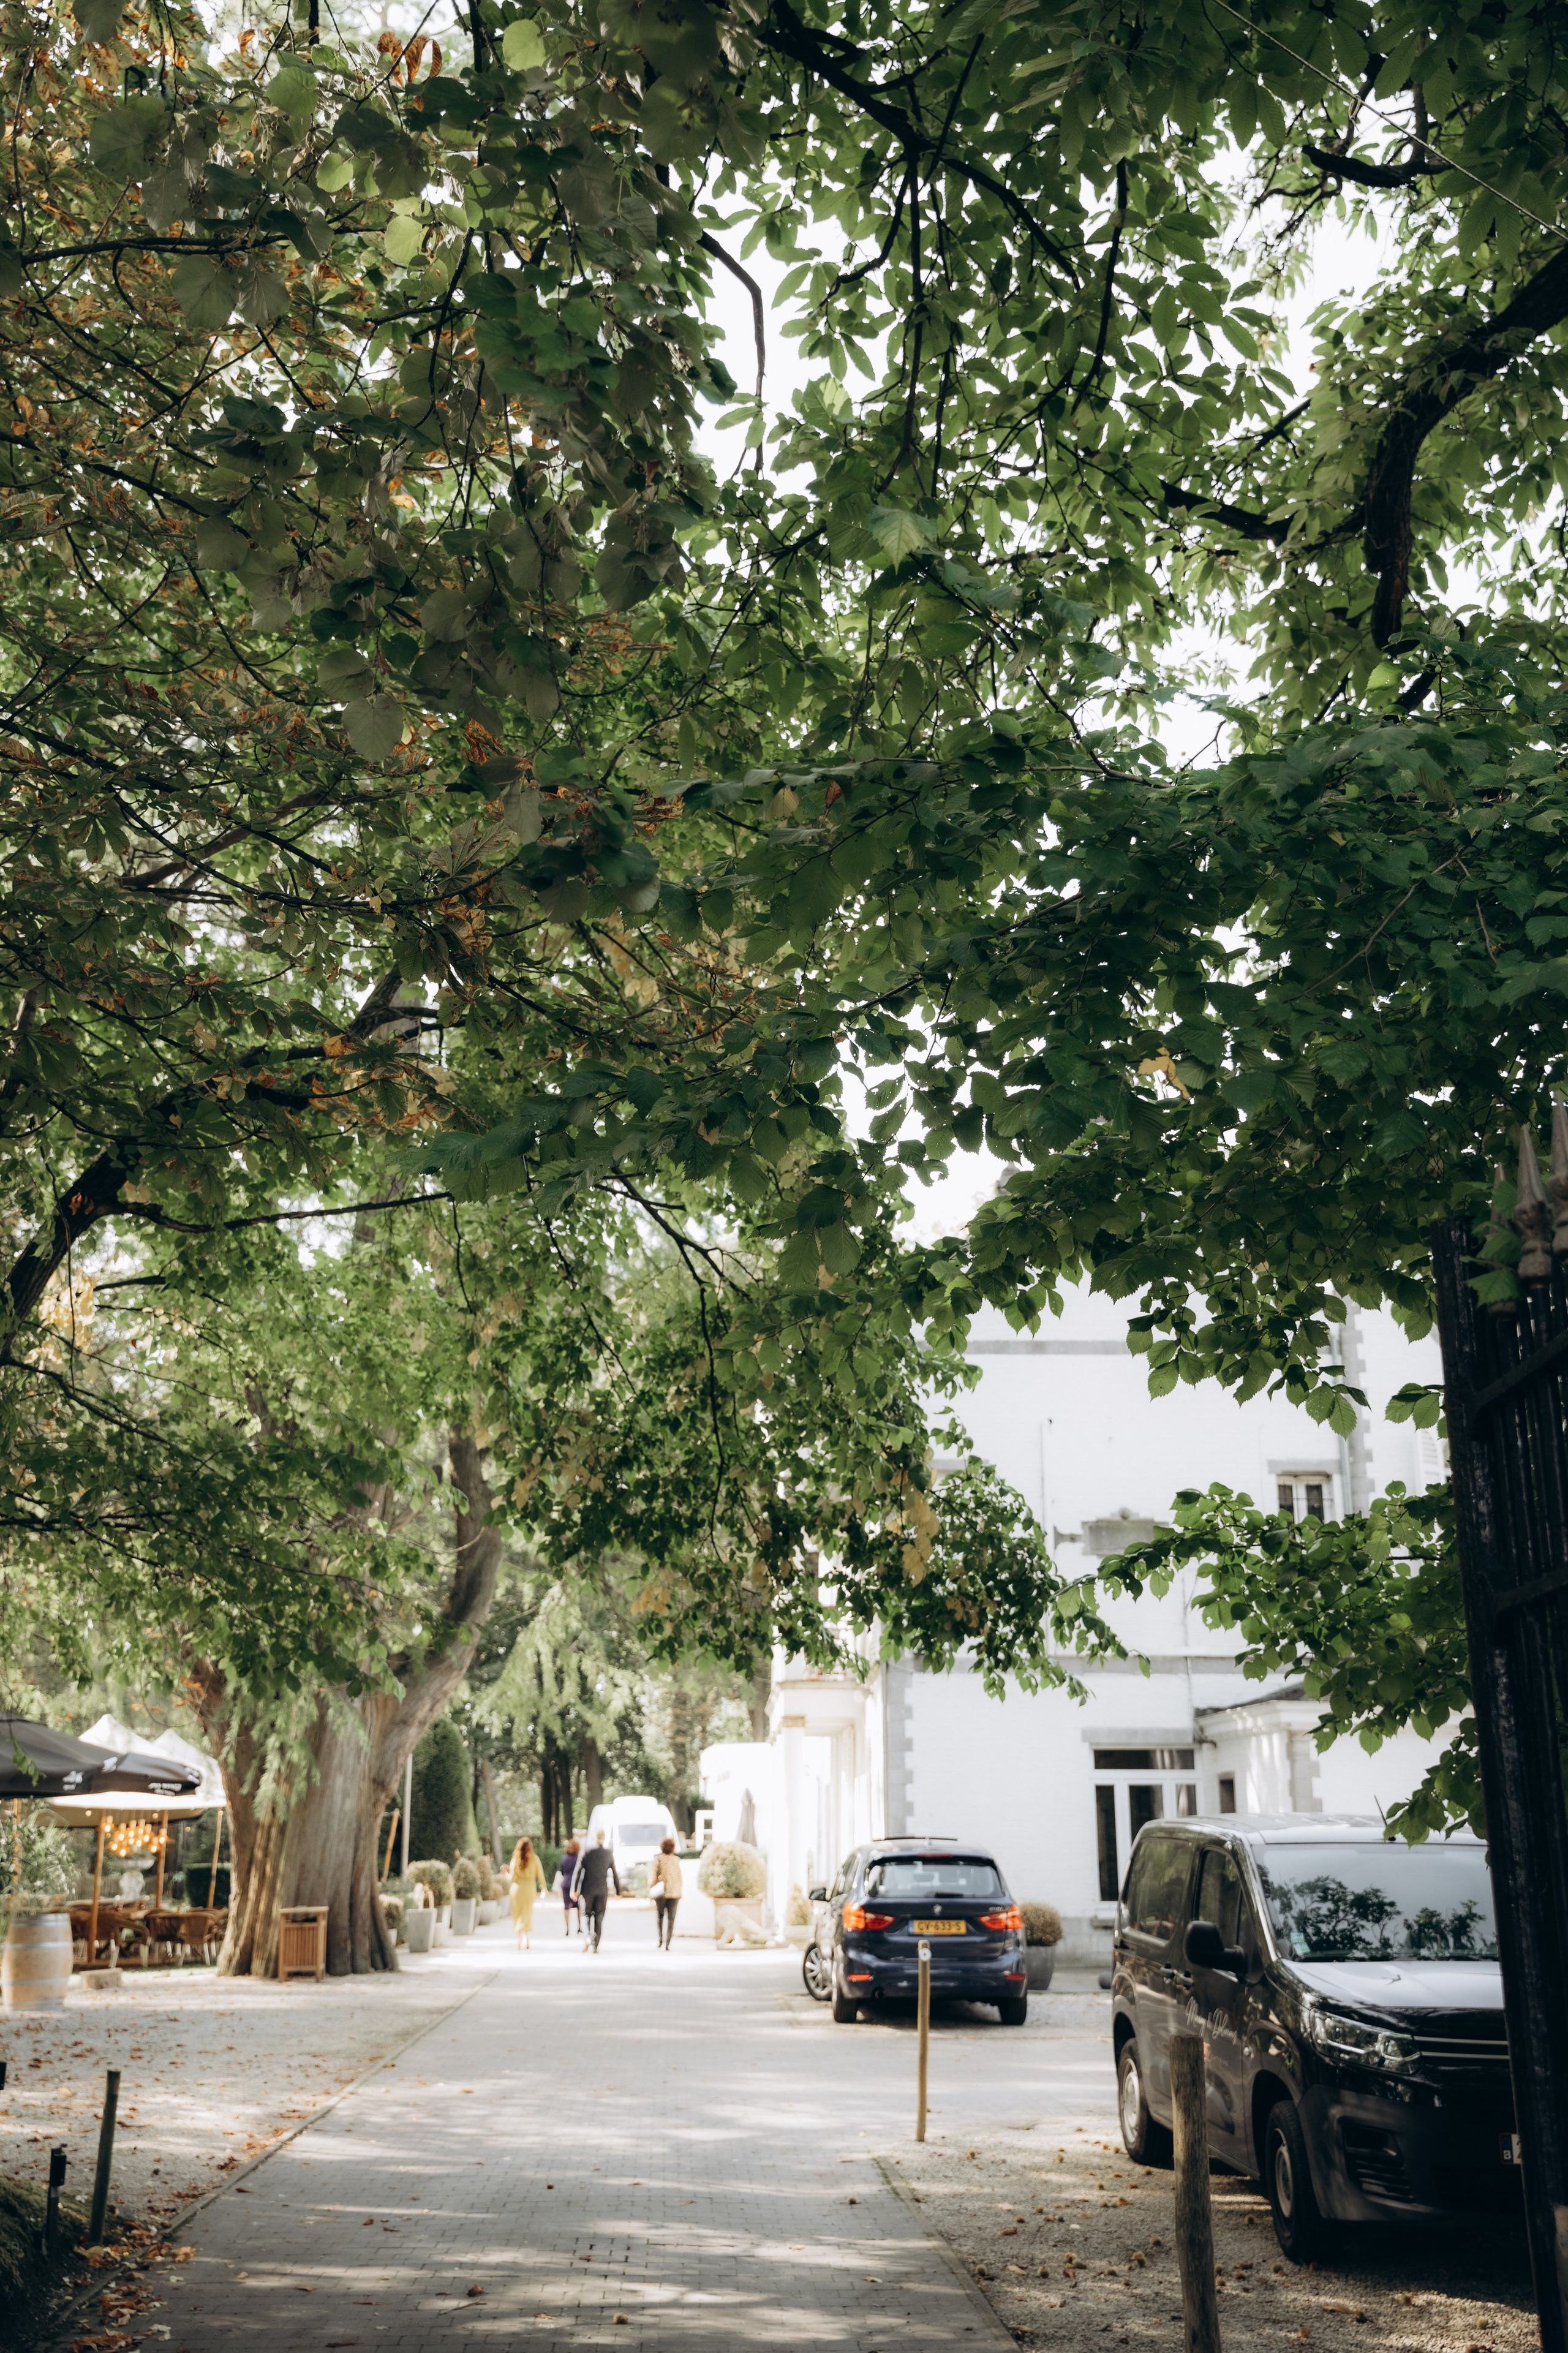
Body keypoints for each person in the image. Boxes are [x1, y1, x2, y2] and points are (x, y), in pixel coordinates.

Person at [575, 1829, 620, 1952]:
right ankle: (595, 1945)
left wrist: (574, 1889)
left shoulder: (587, 1851)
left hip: (587, 1890)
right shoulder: (608, 1853)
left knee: (586, 1914)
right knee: (599, 1916)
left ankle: (588, 1937)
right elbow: (615, 1874)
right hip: (602, 1890)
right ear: (604, 1838)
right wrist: (618, 1891)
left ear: (595, 1838)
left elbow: (578, 1871)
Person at [509, 1835, 548, 1951]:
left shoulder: (515, 1859)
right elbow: (540, 1875)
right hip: (530, 1888)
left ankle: (519, 1939)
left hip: (517, 1889)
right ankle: (527, 1938)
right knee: (527, 1913)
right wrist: (544, 1888)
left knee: (517, 1914)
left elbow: (512, 1876)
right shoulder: (535, 1859)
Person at [650, 1837, 682, 1950]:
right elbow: (679, 1877)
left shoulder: (658, 1859)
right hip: (675, 1893)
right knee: (671, 1918)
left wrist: (651, 1889)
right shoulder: (676, 1860)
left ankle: (660, 1940)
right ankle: (668, 1943)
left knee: (660, 1916)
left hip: (661, 1892)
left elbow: (653, 1875)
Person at [559, 1837, 582, 1936]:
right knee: (578, 1907)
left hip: (566, 1884)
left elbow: (562, 1872)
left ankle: (568, 1928)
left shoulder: (564, 1858)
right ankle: (579, 1927)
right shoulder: (579, 1859)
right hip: (576, 1885)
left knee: (566, 1907)